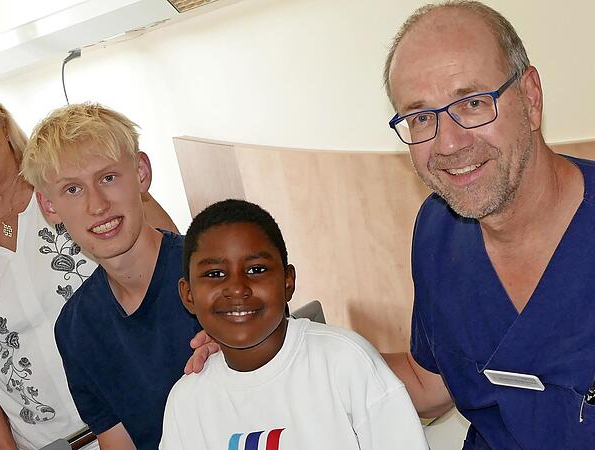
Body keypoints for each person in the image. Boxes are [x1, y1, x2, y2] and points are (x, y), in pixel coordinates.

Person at [0, 79, 177, 450]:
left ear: (1, 122)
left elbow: (177, 272)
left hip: (150, 417)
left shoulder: (73, 187)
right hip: (50, 443)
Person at [381, 1, 595, 448]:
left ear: (531, 98)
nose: (450, 143)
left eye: (474, 103)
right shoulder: (438, 232)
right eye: (422, 117)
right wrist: (277, 354)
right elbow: (431, 382)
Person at [160, 199, 428, 450]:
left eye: (256, 269)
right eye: (215, 274)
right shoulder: (187, 402)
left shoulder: (344, 362)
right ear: (188, 295)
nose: (237, 289)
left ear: (288, 282)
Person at [22, 103, 201, 450]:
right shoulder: (76, 329)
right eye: (72, 189)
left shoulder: (212, 274)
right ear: (49, 206)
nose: (97, 205)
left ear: (141, 173)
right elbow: (118, 442)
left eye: (107, 178)